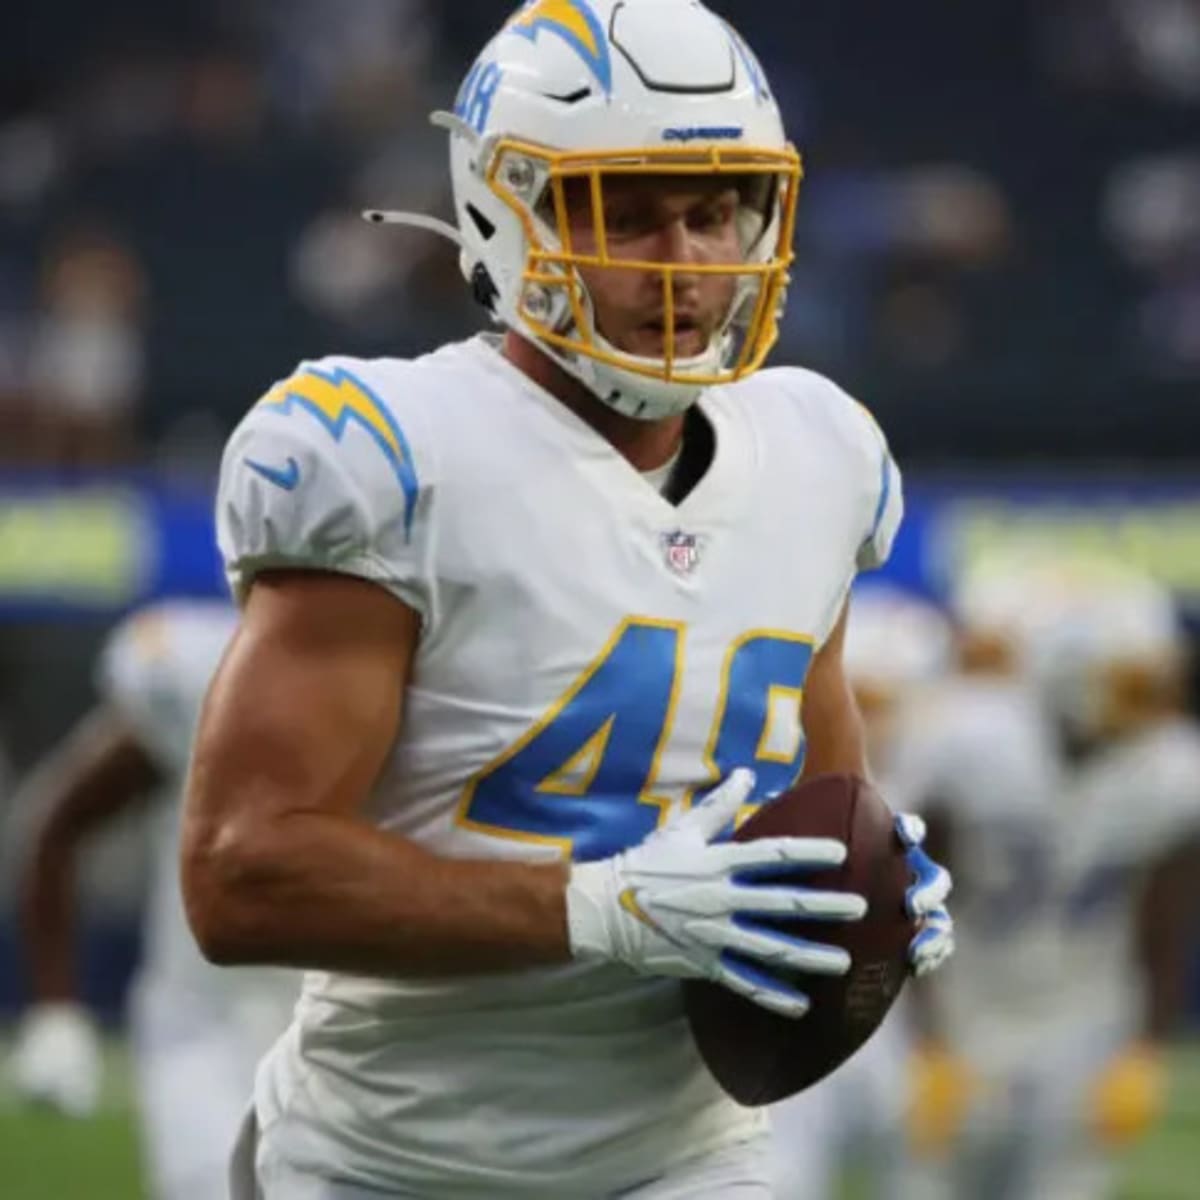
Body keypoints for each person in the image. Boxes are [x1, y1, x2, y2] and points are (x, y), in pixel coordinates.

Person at [181, 3, 954, 1196]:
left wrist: (872, 886)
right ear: (508, 212)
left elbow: (813, 798)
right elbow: (240, 876)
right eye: (626, 215)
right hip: (389, 1160)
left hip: (687, 1156)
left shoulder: (822, 452)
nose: (687, 262)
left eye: (715, 211)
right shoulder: (391, 454)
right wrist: (601, 908)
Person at [898, 554, 1200, 1200]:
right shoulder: (969, 742)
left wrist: (1145, 1047)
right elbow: (910, 895)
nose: (1150, 704)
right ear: (1069, 674)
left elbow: (1165, 922)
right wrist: (923, 1037)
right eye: (1130, 684)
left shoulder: (1172, 770)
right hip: (967, 1001)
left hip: (1087, 1014)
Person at [9, 599, 296, 1200]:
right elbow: (59, 823)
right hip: (204, 1027)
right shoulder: (203, 678)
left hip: (344, 1029)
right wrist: (56, 1009)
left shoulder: (433, 690)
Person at [770, 585, 953, 1200]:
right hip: (790, 1012)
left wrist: (939, 1040)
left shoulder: (933, 777)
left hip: (893, 1018)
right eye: (860, 699)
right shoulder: (772, 773)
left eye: (882, 700)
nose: (870, 719)